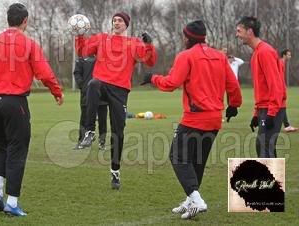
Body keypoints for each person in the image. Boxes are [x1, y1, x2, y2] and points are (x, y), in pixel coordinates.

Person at [0, 3, 63, 216]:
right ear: (25, 21)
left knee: (1, 148)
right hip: (15, 103)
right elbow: (45, 73)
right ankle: (11, 202)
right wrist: (57, 92)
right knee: (17, 151)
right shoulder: (28, 43)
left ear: (8, 19)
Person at [141, 20, 242, 219]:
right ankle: (190, 201)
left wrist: (152, 78)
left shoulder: (186, 56)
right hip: (214, 120)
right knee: (197, 161)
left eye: (183, 36)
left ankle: (196, 199)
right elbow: (233, 86)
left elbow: (171, 83)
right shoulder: (219, 57)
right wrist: (234, 105)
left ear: (187, 37)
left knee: (177, 156)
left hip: (195, 118)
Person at [74, 12, 157, 189]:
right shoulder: (102, 38)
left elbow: (149, 62)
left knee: (118, 132)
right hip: (102, 84)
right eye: (114, 20)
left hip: (120, 91)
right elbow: (82, 52)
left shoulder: (134, 43)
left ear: (126, 24)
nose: (116, 22)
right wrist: (80, 36)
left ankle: (115, 171)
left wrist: (149, 45)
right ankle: (89, 131)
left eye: (120, 20)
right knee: (93, 84)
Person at [236, 16, 286, 158]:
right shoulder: (256, 54)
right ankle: (274, 180)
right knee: (264, 147)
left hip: (273, 109)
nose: (237, 35)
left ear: (249, 31)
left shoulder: (265, 52)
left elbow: (275, 85)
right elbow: (261, 89)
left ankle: (270, 180)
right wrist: (256, 114)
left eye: (239, 31)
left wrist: (271, 113)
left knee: (264, 147)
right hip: (265, 108)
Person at [73, 55, 108, 150]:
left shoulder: (102, 55)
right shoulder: (81, 59)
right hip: (86, 93)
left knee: (102, 119)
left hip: (102, 92)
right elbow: (77, 73)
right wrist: (83, 86)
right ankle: (81, 141)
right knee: (84, 117)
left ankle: (102, 142)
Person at [279, 49, 298, 132]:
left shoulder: (282, 62)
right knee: (280, 106)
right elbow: (279, 77)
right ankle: (286, 126)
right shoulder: (281, 62)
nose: (290, 56)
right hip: (279, 89)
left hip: (280, 88)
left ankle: (287, 125)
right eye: (289, 55)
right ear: (284, 55)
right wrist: (282, 88)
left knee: (280, 107)